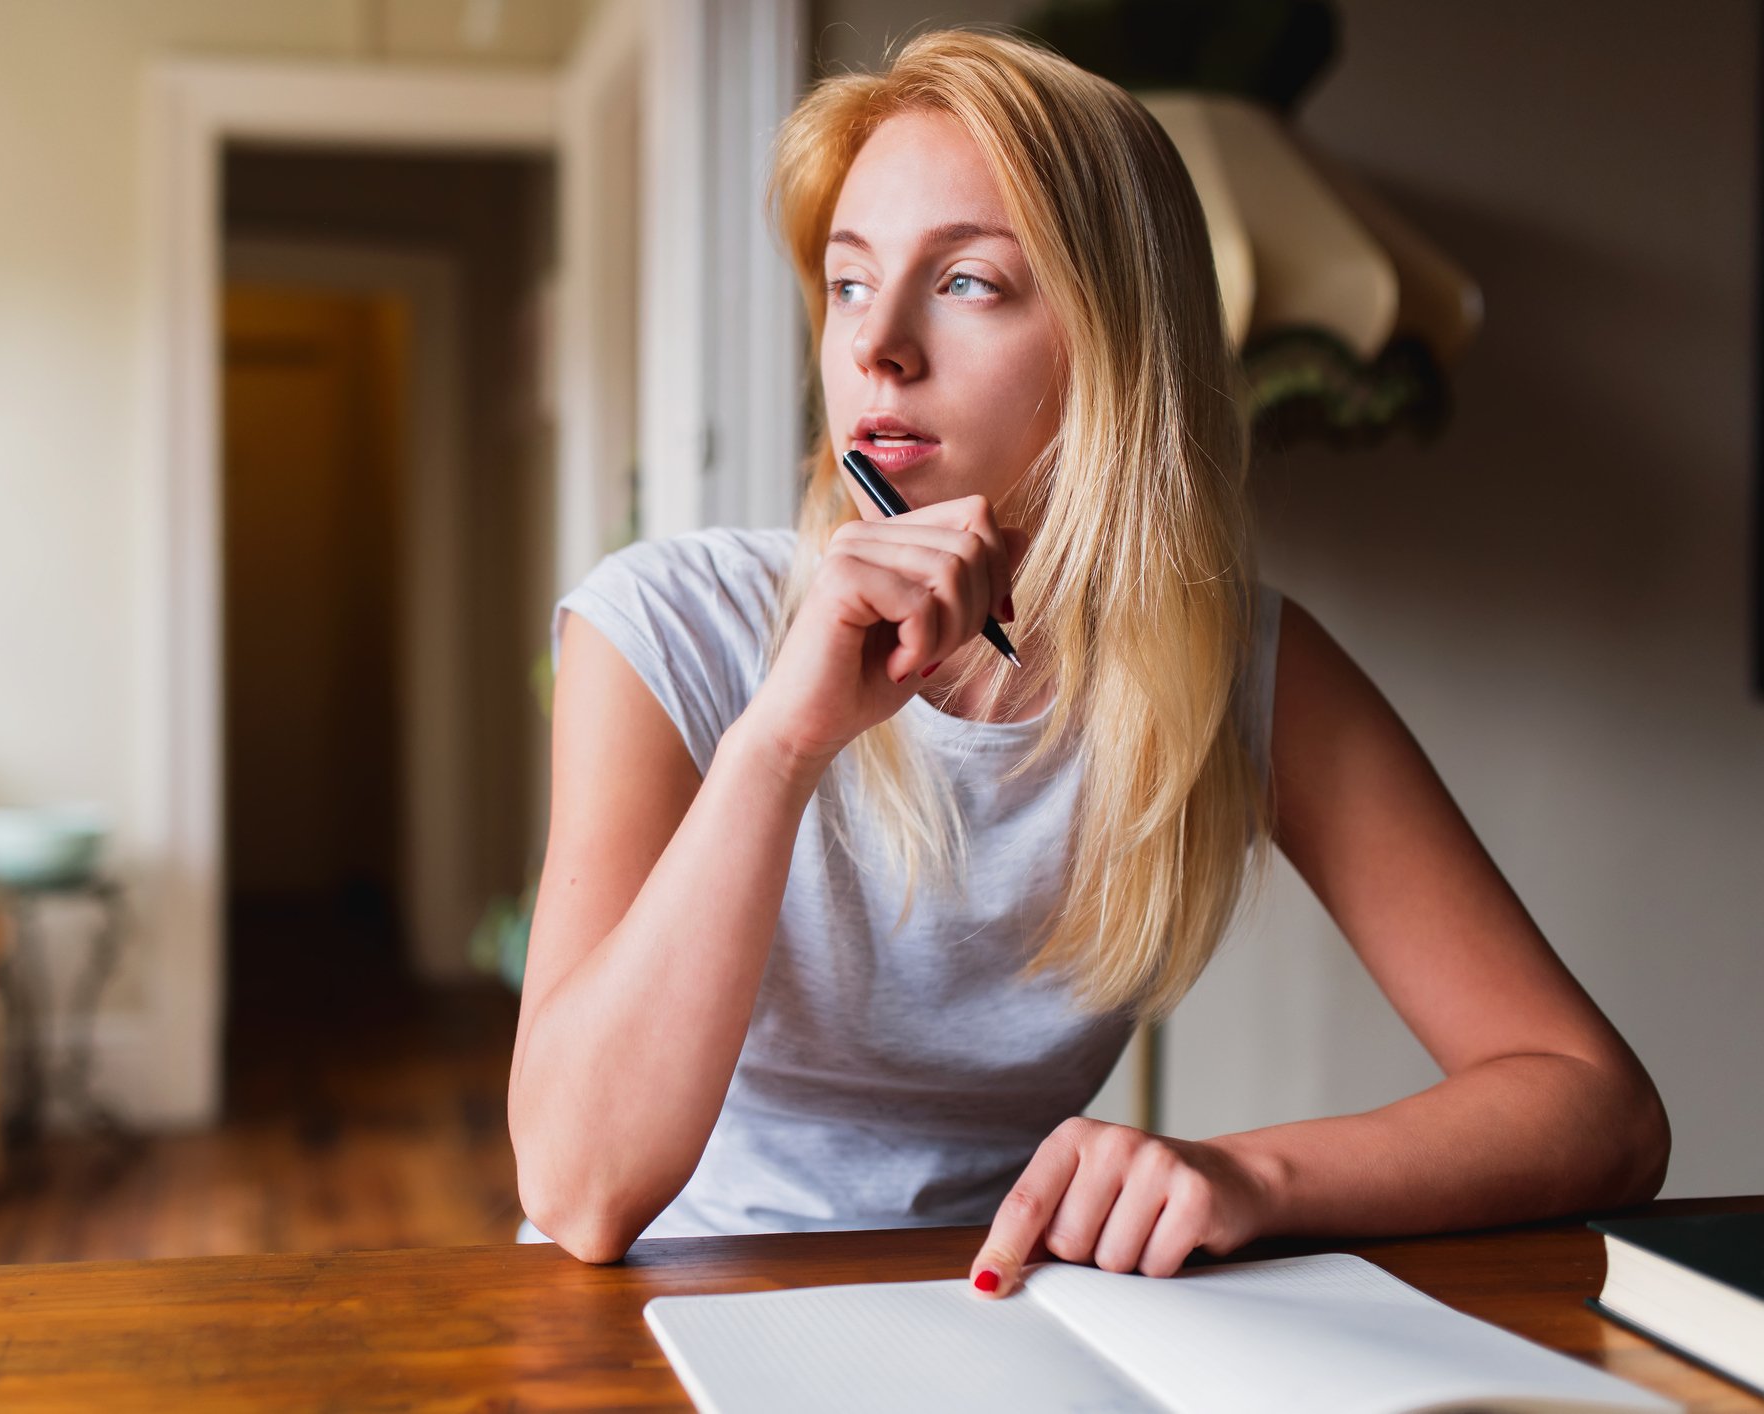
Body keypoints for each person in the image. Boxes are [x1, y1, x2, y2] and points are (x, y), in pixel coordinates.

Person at [505, 29, 1669, 1295]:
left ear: (1115, 347)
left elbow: (1593, 1104)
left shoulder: (1238, 668)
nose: (878, 347)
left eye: (966, 282)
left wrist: (1246, 1177)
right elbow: (578, 1190)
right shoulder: (667, 624)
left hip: (1006, 1313)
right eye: (848, 283)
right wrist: (780, 742)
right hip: (660, 1316)